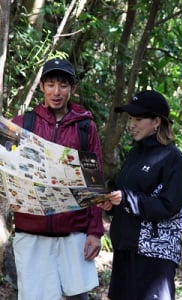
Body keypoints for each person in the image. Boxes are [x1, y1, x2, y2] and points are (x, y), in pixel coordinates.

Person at [12, 58, 104, 300]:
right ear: (41, 86)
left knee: (78, 297)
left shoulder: (84, 126)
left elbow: (93, 180)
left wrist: (95, 231)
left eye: (62, 85)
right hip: (31, 233)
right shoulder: (24, 124)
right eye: (50, 84)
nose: (56, 92)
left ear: (72, 89)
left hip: (73, 232)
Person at [99, 90, 182, 300]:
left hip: (154, 256)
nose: (132, 124)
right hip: (126, 248)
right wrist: (112, 205)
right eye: (131, 118)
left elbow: (169, 206)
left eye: (138, 119)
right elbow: (130, 197)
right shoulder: (135, 154)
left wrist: (128, 199)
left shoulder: (173, 159)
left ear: (157, 121)